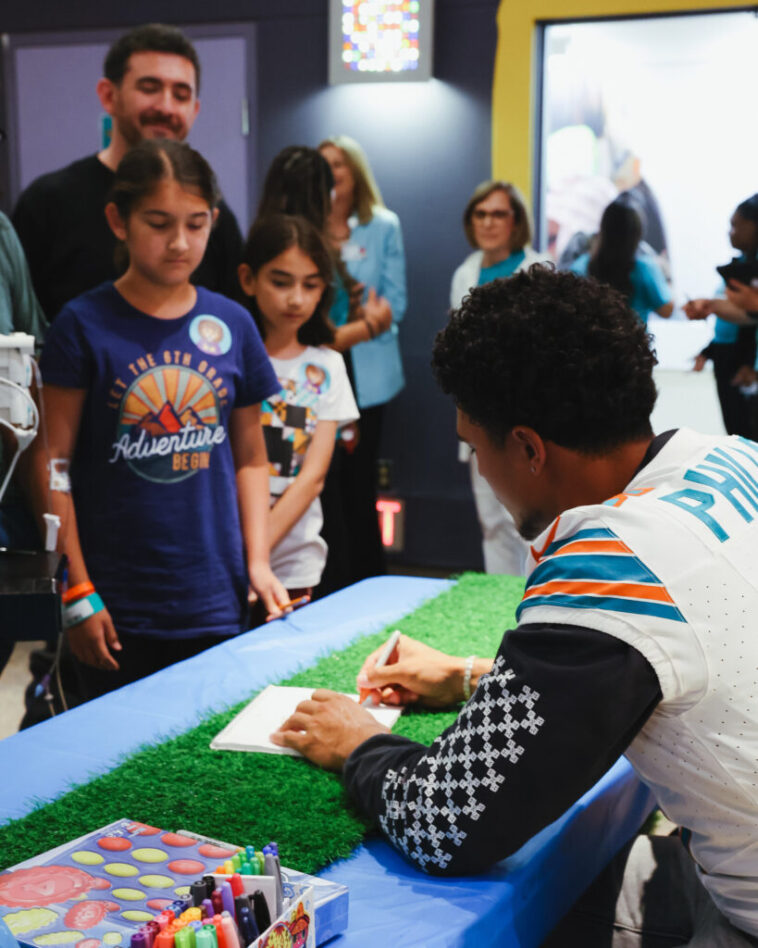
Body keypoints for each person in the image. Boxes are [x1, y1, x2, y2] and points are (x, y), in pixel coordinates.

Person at [270, 267, 758, 946]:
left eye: (476, 447)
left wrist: (358, 742)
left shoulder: (613, 563)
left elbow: (445, 821)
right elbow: (652, 667)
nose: (479, 467)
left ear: (527, 448)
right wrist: (473, 677)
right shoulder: (729, 458)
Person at [28, 139, 288, 701]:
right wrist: (76, 588)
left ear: (214, 221)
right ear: (117, 221)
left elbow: (250, 456)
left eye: (196, 224)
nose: (179, 242)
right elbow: (51, 462)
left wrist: (260, 562)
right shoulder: (82, 325)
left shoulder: (233, 324)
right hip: (116, 604)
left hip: (218, 596)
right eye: (159, 222)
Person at [12, 23, 243, 322]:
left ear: (195, 110)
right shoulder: (47, 204)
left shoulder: (214, 219)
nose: (166, 106)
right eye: (149, 88)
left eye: (181, 95)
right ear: (109, 96)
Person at [237, 214, 358, 612]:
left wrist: (252, 553)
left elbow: (313, 477)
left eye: (311, 284)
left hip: (294, 563)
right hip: (222, 554)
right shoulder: (228, 355)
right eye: (281, 281)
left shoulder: (327, 366)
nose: (296, 298)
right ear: (248, 279)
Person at [317, 136, 406, 585]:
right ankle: (332, 579)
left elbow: (395, 304)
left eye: (339, 165)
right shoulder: (305, 227)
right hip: (313, 375)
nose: (332, 173)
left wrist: (351, 334)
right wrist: (357, 327)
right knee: (321, 483)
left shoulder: (383, 225)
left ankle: (370, 578)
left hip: (368, 376)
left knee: (358, 483)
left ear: (355, 173)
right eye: (324, 165)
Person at [450, 180, 549, 576]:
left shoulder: (538, 269)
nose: (488, 222)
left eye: (498, 214)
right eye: (480, 214)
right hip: (479, 411)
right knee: (491, 521)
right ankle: (498, 602)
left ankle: (539, 599)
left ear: (516, 221)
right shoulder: (465, 273)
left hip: (528, 415)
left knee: (533, 522)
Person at [684, 195, 758, 438]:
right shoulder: (744, 266)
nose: (731, 232)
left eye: (736, 225)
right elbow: (747, 316)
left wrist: (752, 365)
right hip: (733, 361)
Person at [570, 195, 673, 325]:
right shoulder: (645, 269)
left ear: (603, 228)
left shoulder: (580, 267)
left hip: (589, 343)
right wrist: (667, 279)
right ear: (638, 234)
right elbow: (666, 311)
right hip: (634, 344)